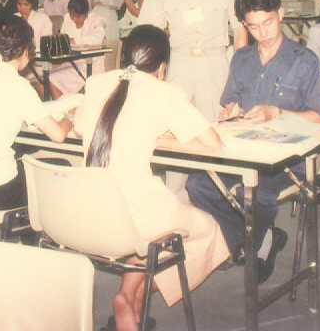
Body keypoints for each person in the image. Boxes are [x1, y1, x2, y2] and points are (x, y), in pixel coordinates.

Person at [76, 26, 229, 330]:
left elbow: (81, 127)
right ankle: (137, 293)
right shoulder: (164, 92)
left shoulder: (96, 83)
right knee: (209, 232)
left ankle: (128, 297)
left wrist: (147, 136)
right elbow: (213, 143)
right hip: (137, 213)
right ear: (162, 67)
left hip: (91, 212)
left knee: (144, 235)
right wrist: (163, 139)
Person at [186, 0, 320, 284]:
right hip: (245, 152)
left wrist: (277, 112)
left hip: (288, 158)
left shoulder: (305, 61)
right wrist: (231, 111)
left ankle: (248, 242)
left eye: (268, 22)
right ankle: (255, 239)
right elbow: (231, 101)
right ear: (244, 25)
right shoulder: (241, 59)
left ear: (281, 14)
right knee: (198, 184)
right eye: (253, 27)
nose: (263, 33)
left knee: (257, 193)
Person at [0, 16, 73, 209]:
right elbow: (58, 135)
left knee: (22, 163)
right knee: (61, 167)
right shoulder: (18, 85)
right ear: (26, 50)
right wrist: (71, 116)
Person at [49, 0, 106, 98]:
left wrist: (73, 40)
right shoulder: (67, 18)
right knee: (43, 78)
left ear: (87, 13)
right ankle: (64, 105)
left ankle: (63, 106)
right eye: (72, 16)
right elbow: (63, 38)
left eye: (78, 17)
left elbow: (98, 39)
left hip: (89, 66)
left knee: (52, 79)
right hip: (70, 63)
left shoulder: (97, 20)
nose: (74, 19)